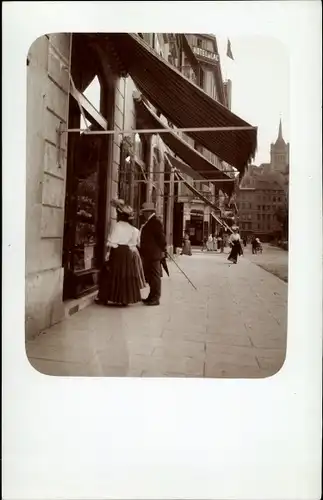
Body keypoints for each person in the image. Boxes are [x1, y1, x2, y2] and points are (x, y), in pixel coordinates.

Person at [96, 199, 145, 307]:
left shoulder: (117, 226)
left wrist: (107, 254)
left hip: (117, 252)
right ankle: (124, 299)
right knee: (126, 275)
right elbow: (133, 244)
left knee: (111, 274)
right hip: (127, 253)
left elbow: (111, 242)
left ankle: (106, 297)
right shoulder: (132, 229)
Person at [139, 202, 167, 306]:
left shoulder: (155, 222)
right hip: (149, 254)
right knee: (151, 276)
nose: (143, 214)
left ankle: (155, 298)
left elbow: (161, 238)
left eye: (144, 212)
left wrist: (163, 249)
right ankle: (151, 296)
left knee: (155, 277)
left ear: (149, 212)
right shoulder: (150, 222)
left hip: (154, 255)